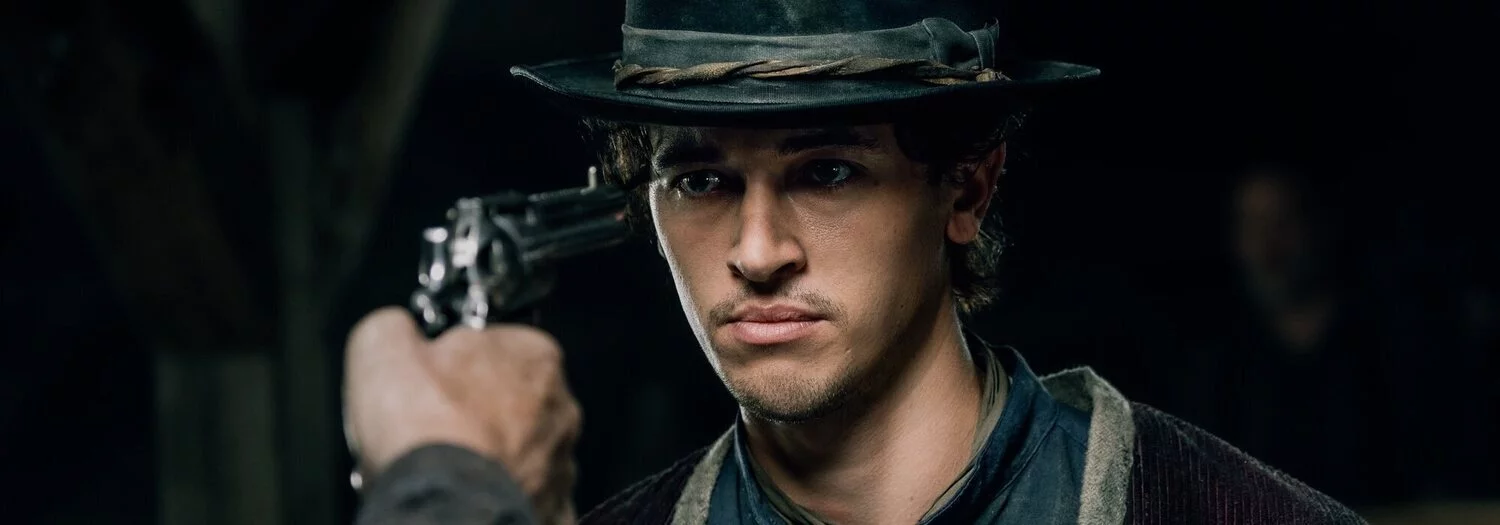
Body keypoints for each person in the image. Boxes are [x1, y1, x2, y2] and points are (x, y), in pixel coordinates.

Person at [348, 0, 1368, 523]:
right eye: (700, 180)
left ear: (965, 190)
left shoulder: (1223, 512)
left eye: (828, 172)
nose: (757, 253)